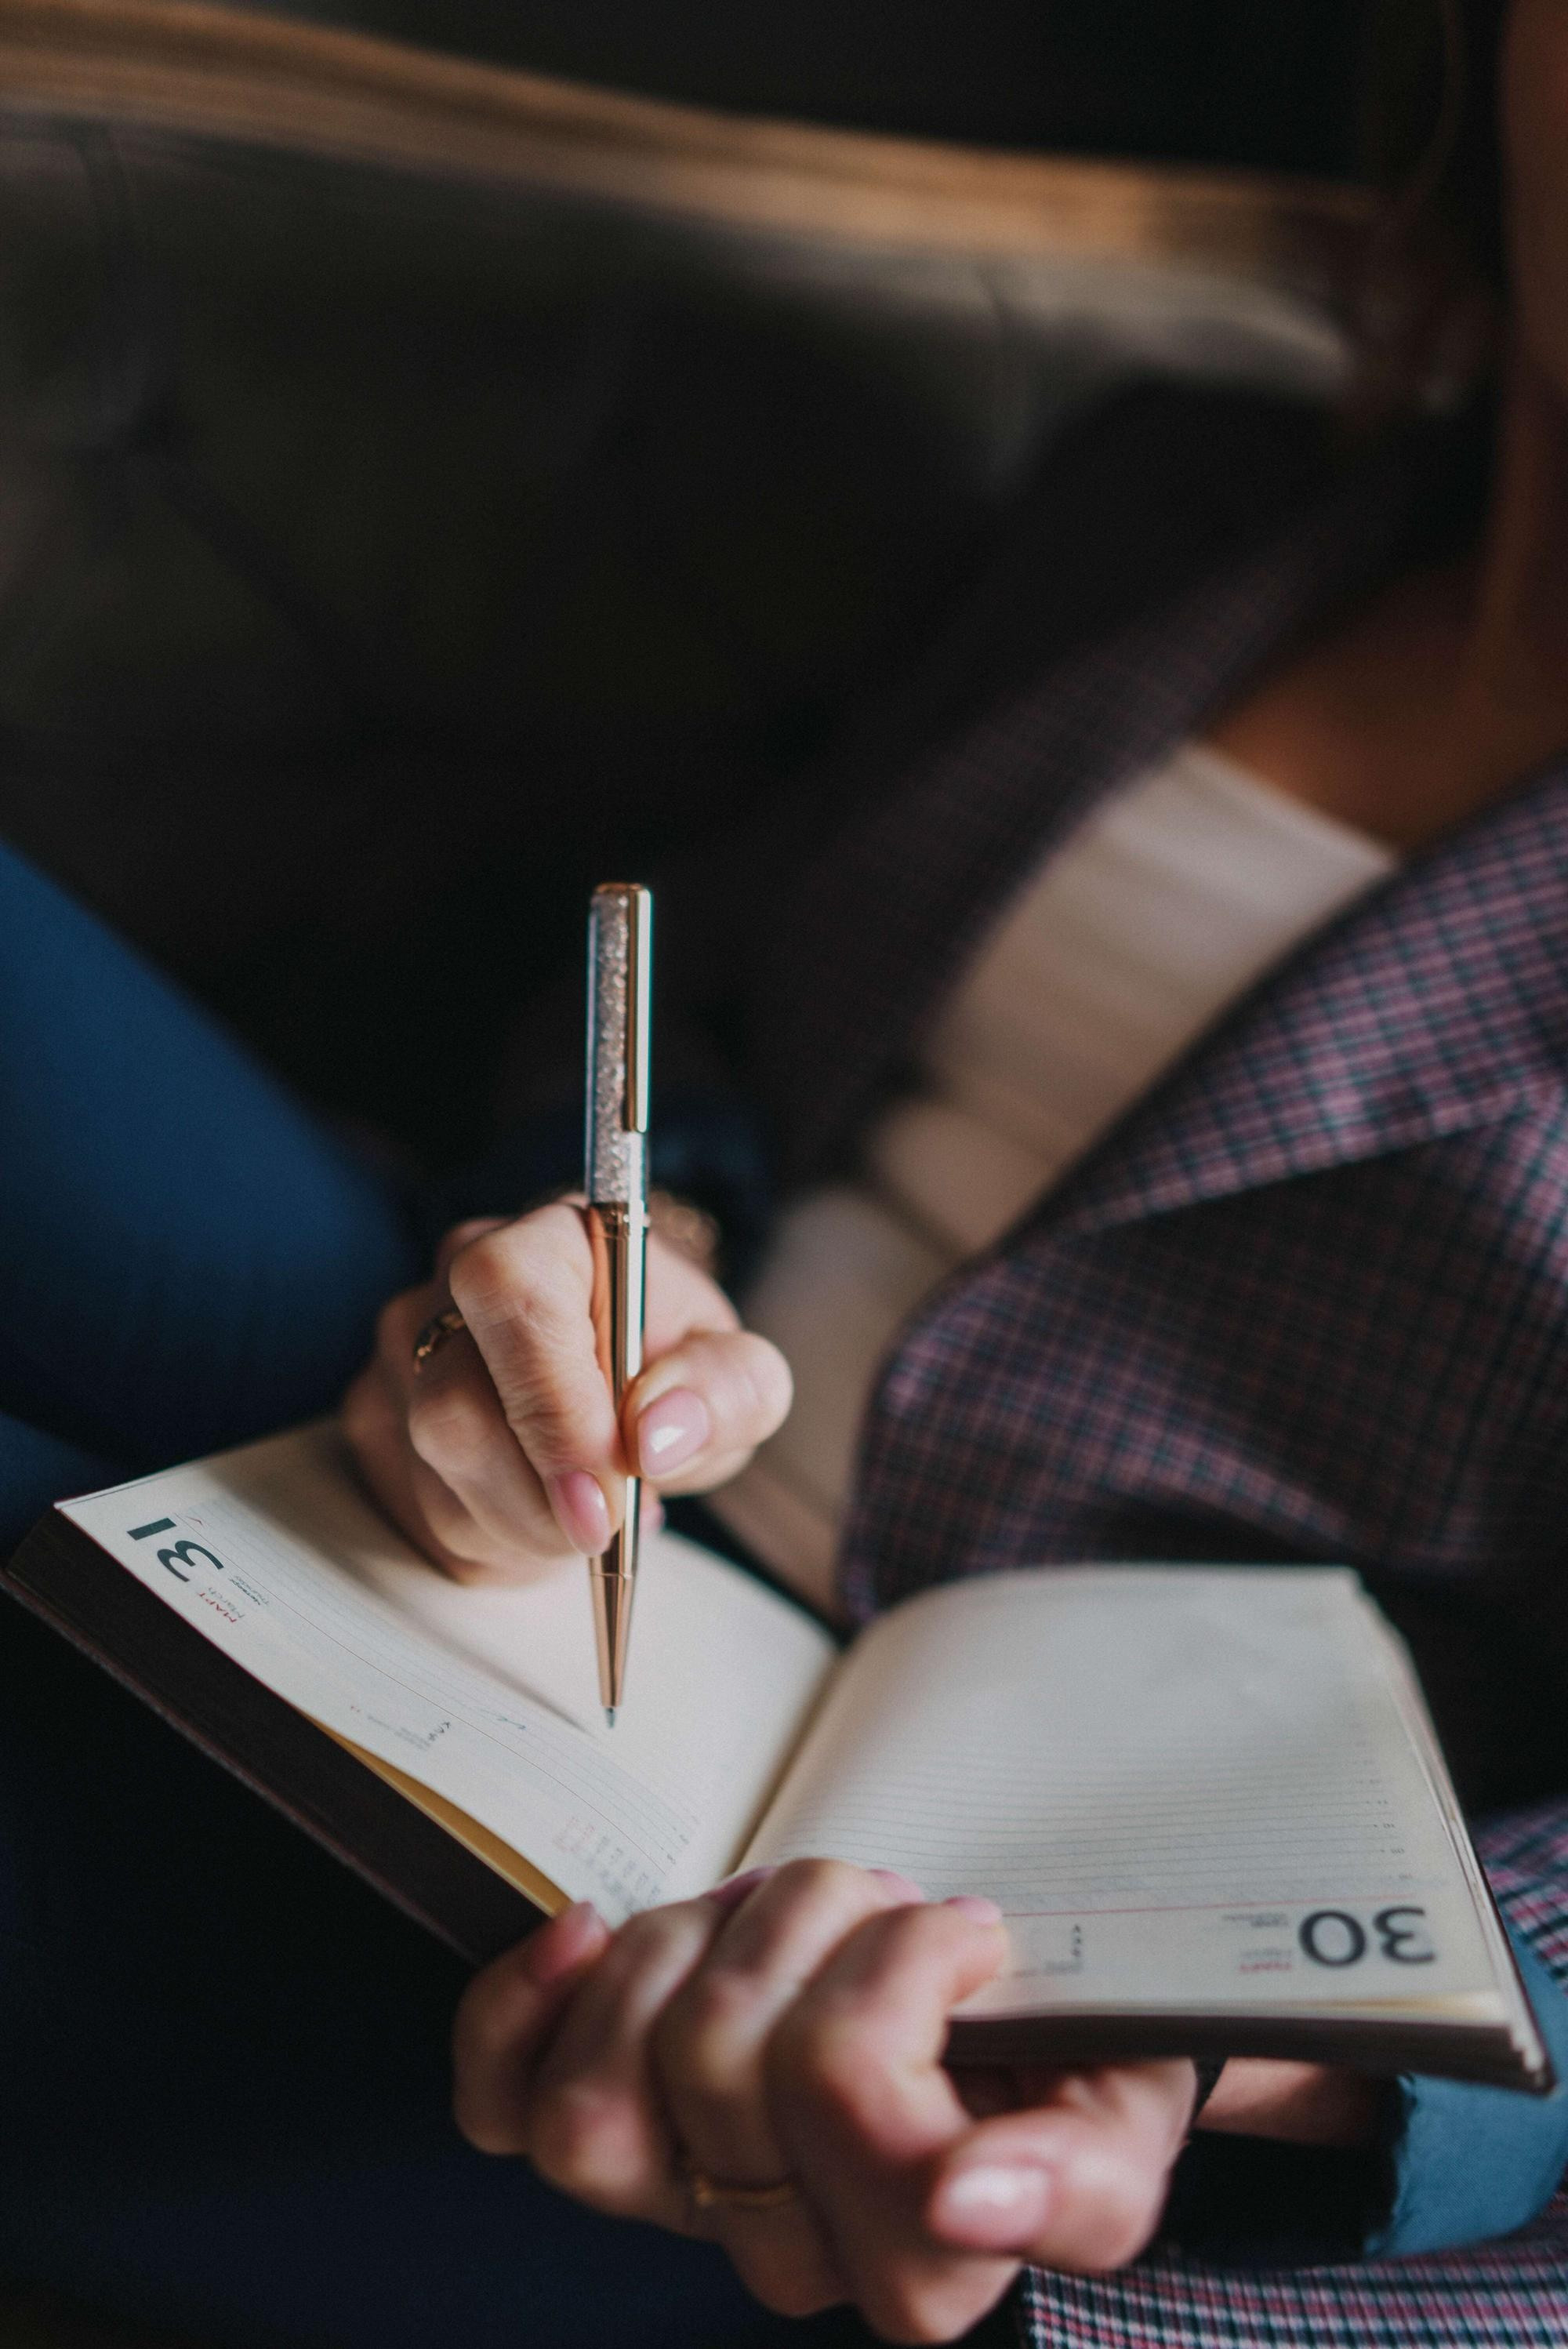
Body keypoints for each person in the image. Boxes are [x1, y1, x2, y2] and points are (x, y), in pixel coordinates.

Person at [2, 5, 1568, 2347]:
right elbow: (696, 991)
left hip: (917, 1931)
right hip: (583, 1495)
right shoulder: (1198, 509)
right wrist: (629, 1243)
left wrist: (1272, 2027)